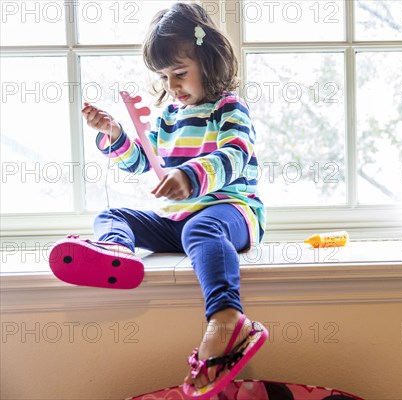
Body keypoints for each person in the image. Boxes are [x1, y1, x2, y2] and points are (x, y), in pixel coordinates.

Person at [49, 2, 268, 397]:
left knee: (203, 227)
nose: (173, 85)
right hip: (179, 219)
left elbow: (236, 154)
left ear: (210, 60)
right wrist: (114, 134)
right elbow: (141, 163)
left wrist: (191, 176)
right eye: (165, 77)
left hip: (230, 212)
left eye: (181, 74)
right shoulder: (168, 116)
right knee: (115, 214)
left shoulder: (228, 109)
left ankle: (227, 320)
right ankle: (117, 251)